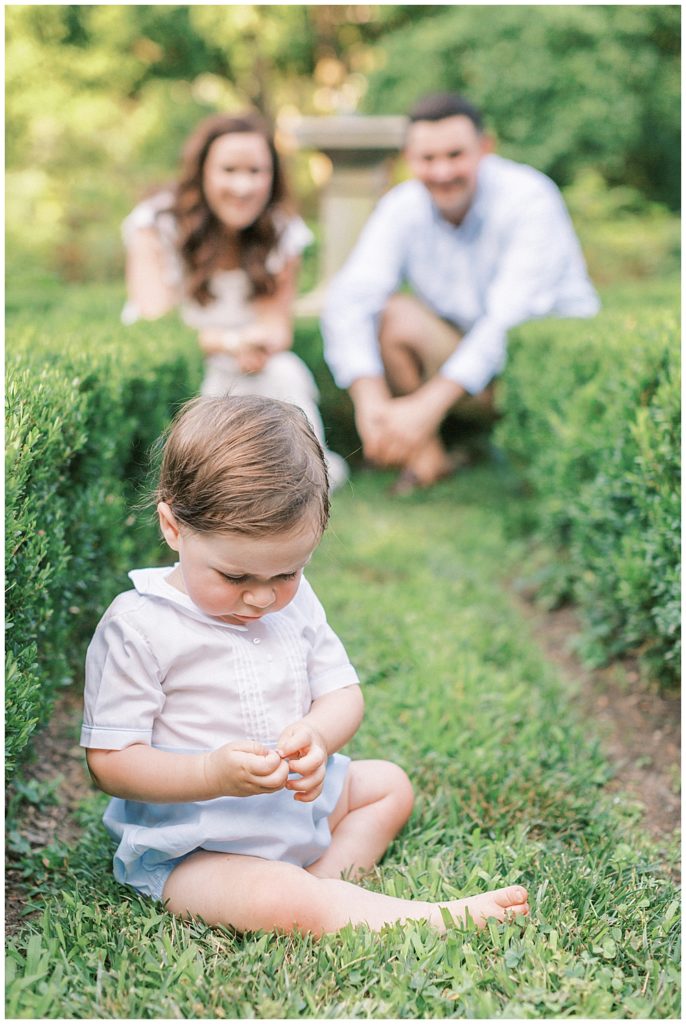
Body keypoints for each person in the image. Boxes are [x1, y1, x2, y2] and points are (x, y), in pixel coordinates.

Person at [81, 394, 529, 935]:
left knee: (389, 786)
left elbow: (343, 694)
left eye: (286, 573)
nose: (263, 599)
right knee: (275, 898)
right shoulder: (140, 626)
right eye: (235, 577)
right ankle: (424, 919)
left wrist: (317, 736)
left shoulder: (298, 603)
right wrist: (210, 772)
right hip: (200, 846)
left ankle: (325, 884)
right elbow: (111, 761)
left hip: (300, 811)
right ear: (174, 528)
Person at [322, 93, 600, 493]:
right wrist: (370, 403)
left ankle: (509, 455)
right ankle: (426, 458)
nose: (442, 171)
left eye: (455, 155)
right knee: (393, 315)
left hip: (538, 366)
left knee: (481, 335)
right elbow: (351, 298)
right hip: (470, 363)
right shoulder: (402, 207)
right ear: (408, 158)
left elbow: (508, 322)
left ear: (484, 149)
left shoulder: (529, 199)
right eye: (427, 158)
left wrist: (425, 407)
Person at [122, 110, 348, 489]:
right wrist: (229, 342)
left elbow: (277, 325)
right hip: (187, 360)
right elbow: (155, 325)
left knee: (284, 373)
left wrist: (258, 345)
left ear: (272, 177)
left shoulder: (281, 231)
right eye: (229, 170)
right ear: (203, 172)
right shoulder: (156, 223)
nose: (243, 186)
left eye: (256, 171)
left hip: (247, 361)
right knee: (209, 393)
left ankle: (299, 480)